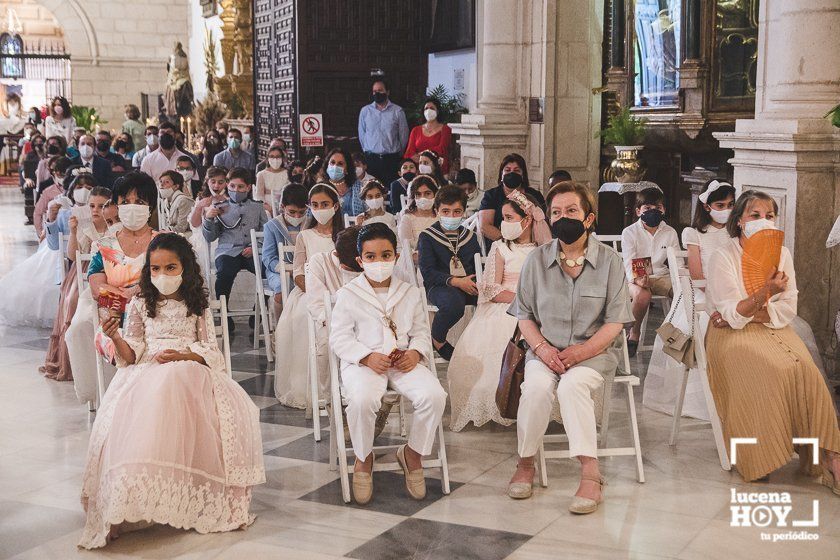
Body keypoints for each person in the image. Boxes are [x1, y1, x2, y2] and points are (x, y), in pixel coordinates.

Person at [78, 233, 265, 549]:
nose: (162, 275)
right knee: (139, 408)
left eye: (170, 267)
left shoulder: (197, 305)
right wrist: (116, 337)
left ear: (185, 268)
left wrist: (185, 355)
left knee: (182, 387)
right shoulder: (140, 304)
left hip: (191, 367)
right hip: (147, 369)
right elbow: (131, 353)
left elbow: (210, 349)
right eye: (155, 269)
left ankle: (185, 495)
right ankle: (125, 505)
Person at [506, 180, 633, 514]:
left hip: (593, 355)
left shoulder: (610, 262)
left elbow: (616, 322)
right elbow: (524, 317)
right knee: (534, 388)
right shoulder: (536, 260)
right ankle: (525, 462)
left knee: (573, 386)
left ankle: (590, 473)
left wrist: (582, 352)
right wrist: (544, 350)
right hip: (544, 351)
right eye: (556, 212)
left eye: (571, 211)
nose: (564, 217)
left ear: (588, 218)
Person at [705, 190, 840, 488]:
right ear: (740, 221)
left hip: (773, 328)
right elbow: (728, 312)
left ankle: (832, 459)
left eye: (769, 216)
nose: (763, 221)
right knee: (768, 370)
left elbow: (787, 307)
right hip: (728, 338)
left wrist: (747, 312)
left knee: (807, 372)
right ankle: (760, 456)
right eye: (755, 215)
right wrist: (764, 295)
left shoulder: (782, 254)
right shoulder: (723, 256)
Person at [330, 223, 447, 504]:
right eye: (371, 257)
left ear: (395, 256)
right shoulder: (348, 294)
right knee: (361, 400)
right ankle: (363, 458)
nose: (379, 262)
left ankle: (413, 454)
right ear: (360, 261)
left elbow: (420, 332)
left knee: (434, 395)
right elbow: (339, 338)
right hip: (363, 363)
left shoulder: (408, 292)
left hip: (402, 360)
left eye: (385, 255)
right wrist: (366, 356)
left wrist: (416, 353)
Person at [447, 192, 551, 431]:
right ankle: (496, 401)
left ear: (526, 220)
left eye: (509, 217)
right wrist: (520, 300)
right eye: (503, 217)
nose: (503, 223)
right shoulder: (501, 247)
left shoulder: (541, 250)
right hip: (505, 304)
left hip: (536, 307)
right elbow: (491, 288)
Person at [643, 180, 734, 420]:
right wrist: (719, 294)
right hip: (705, 291)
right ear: (707, 206)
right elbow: (696, 274)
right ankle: (705, 399)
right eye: (720, 204)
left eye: (731, 205)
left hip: (732, 292)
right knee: (706, 321)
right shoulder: (693, 233)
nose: (726, 210)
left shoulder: (736, 233)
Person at [66, 172, 158, 406]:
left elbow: (169, 277)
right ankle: (114, 399)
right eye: (125, 202)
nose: (132, 208)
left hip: (155, 311)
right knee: (94, 332)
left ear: (151, 207)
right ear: (117, 206)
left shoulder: (164, 241)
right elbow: (96, 283)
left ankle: (152, 400)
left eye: (139, 202)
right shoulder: (105, 244)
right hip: (114, 312)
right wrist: (122, 296)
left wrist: (137, 291)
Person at [274, 183, 344, 407]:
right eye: (315, 205)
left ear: (335, 206)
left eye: (324, 204)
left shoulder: (344, 235)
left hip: (342, 292)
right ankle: (311, 389)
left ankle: (344, 385)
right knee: (303, 318)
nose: (320, 208)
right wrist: (316, 292)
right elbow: (297, 272)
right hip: (310, 292)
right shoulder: (305, 235)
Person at [42, 186, 115, 382]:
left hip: (111, 271)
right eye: (92, 206)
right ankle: (73, 361)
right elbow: (72, 255)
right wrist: (73, 232)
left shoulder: (115, 226)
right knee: (72, 300)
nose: (95, 210)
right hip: (83, 271)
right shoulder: (85, 227)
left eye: (101, 206)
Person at [417, 184, 482, 360]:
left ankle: (481, 344)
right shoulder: (427, 237)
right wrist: (457, 281)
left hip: (468, 284)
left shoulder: (470, 237)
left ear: (463, 212)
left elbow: (478, 267)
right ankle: (437, 339)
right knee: (454, 303)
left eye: (456, 212)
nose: (451, 216)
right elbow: (428, 272)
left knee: (492, 301)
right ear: (437, 210)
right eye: (446, 211)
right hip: (440, 285)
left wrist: (477, 283)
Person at [202, 167, 268, 329]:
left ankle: (258, 311)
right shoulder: (220, 206)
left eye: (240, 187)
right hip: (227, 251)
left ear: (248, 188)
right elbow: (210, 237)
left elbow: (266, 231)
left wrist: (256, 246)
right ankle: (224, 315)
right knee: (224, 273)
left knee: (266, 271)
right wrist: (209, 220)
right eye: (232, 186)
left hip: (252, 251)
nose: (236, 190)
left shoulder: (257, 207)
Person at [620, 187, 679, 356]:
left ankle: (676, 336)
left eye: (658, 208)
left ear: (663, 210)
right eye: (647, 208)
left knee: (681, 293)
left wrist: (679, 277)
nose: (653, 212)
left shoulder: (670, 232)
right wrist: (639, 279)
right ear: (638, 211)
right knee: (643, 295)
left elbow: (676, 261)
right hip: (635, 277)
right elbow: (629, 261)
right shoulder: (630, 232)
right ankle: (634, 333)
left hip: (661, 275)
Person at [262, 183, 307, 317]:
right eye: (292, 212)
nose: (297, 217)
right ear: (282, 207)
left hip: (304, 269)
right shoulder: (272, 226)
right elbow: (268, 258)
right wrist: (288, 269)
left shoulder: (309, 224)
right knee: (282, 289)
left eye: (301, 212)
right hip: (278, 271)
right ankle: (281, 327)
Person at [479, 154, 546, 241]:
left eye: (516, 171)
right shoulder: (492, 195)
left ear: (523, 175)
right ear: (501, 175)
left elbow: (543, 221)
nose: (512, 173)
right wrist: (508, 242)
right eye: (507, 170)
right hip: (500, 241)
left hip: (531, 242)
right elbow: (485, 226)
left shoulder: (534, 195)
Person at [358, 78, 409, 185]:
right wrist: (367, 151)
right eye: (374, 91)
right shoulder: (365, 111)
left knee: (391, 190)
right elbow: (362, 134)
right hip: (371, 159)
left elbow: (403, 135)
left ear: (387, 92)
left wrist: (398, 153)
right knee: (371, 191)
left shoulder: (398, 111)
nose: (377, 93)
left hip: (391, 160)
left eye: (380, 90)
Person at [404, 98, 453, 174]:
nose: (428, 110)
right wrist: (415, 158)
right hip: (419, 170)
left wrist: (422, 155)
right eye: (426, 108)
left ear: (438, 111)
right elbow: (409, 152)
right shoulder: (416, 130)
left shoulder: (445, 129)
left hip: (439, 170)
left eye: (432, 108)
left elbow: (442, 149)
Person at [395, 174, 438, 259]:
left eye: (427, 193)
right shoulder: (407, 219)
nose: (423, 198)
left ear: (435, 194)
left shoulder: (440, 217)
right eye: (418, 194)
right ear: (414, 197)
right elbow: (406, 248)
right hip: (416, 262)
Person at [318, 147, 364, 216]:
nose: (335, 166)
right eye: (332, 162)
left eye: (340, 164)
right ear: (327, 165)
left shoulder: (358, 187)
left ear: (347, 169)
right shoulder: (320, 188)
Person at [158, 170, 194, 234]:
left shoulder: (183, 200)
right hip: (174, 235)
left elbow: (182, 228)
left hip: (187, 236)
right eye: (160, 181)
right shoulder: (166, 201)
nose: (161, 185)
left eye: (166, 182)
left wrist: (162, 231)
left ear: (176, 186)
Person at [255, 145, 289, 210]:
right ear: (268, 159)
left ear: (282, 158)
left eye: (278, 157)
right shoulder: (261, 174)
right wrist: (269, 209)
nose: (275, 159)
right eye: (272, 157)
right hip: (266, 209)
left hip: (285, 208)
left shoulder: (287, 173)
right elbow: (259, 196)